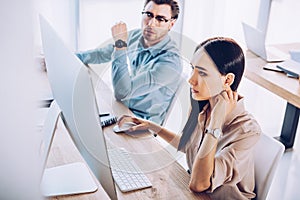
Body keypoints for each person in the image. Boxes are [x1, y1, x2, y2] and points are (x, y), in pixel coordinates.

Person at [117, 37, 262, 199]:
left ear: (227, 80)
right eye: (193, 69)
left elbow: (199, 183)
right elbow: (190, 145)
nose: (191, 80)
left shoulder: (247, 131)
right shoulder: (203, 105)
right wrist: (152, 127)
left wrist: (215, 123)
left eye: (202, 73)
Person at [76, 0, 182, 125]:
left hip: (140, 124)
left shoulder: (170, 63)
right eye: (148, 14)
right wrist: (71, 57)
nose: (151, 23)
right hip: (120, 109)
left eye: (160, 19)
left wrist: (120, 44)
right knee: (78, 112)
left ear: (171, 24)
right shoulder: (136, 36)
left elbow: (123, 93)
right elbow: (102, 54)